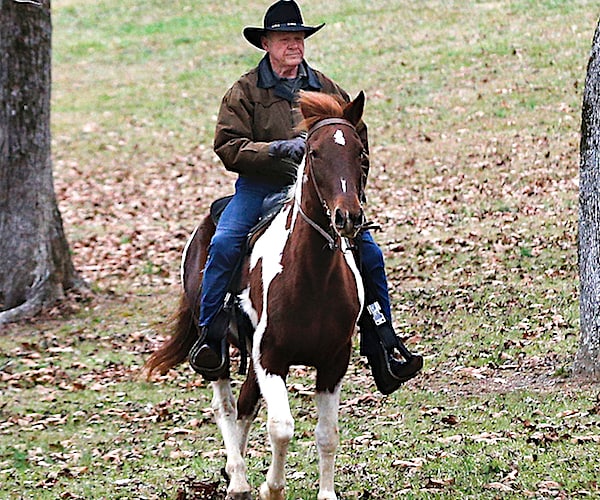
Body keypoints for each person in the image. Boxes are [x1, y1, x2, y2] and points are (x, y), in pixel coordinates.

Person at [189, 0, 422, 394]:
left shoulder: (327, 89)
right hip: (259, 185)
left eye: (298, 38)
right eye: (285, 39)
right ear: (266, 43)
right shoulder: (244, 92)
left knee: (370, 253)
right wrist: (278, 151)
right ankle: (210, 336)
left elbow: (354, 144)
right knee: (226, 240)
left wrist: (347, 190)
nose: (293, 45)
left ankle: (382, 343)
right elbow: (228, 147)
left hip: (319, 193)